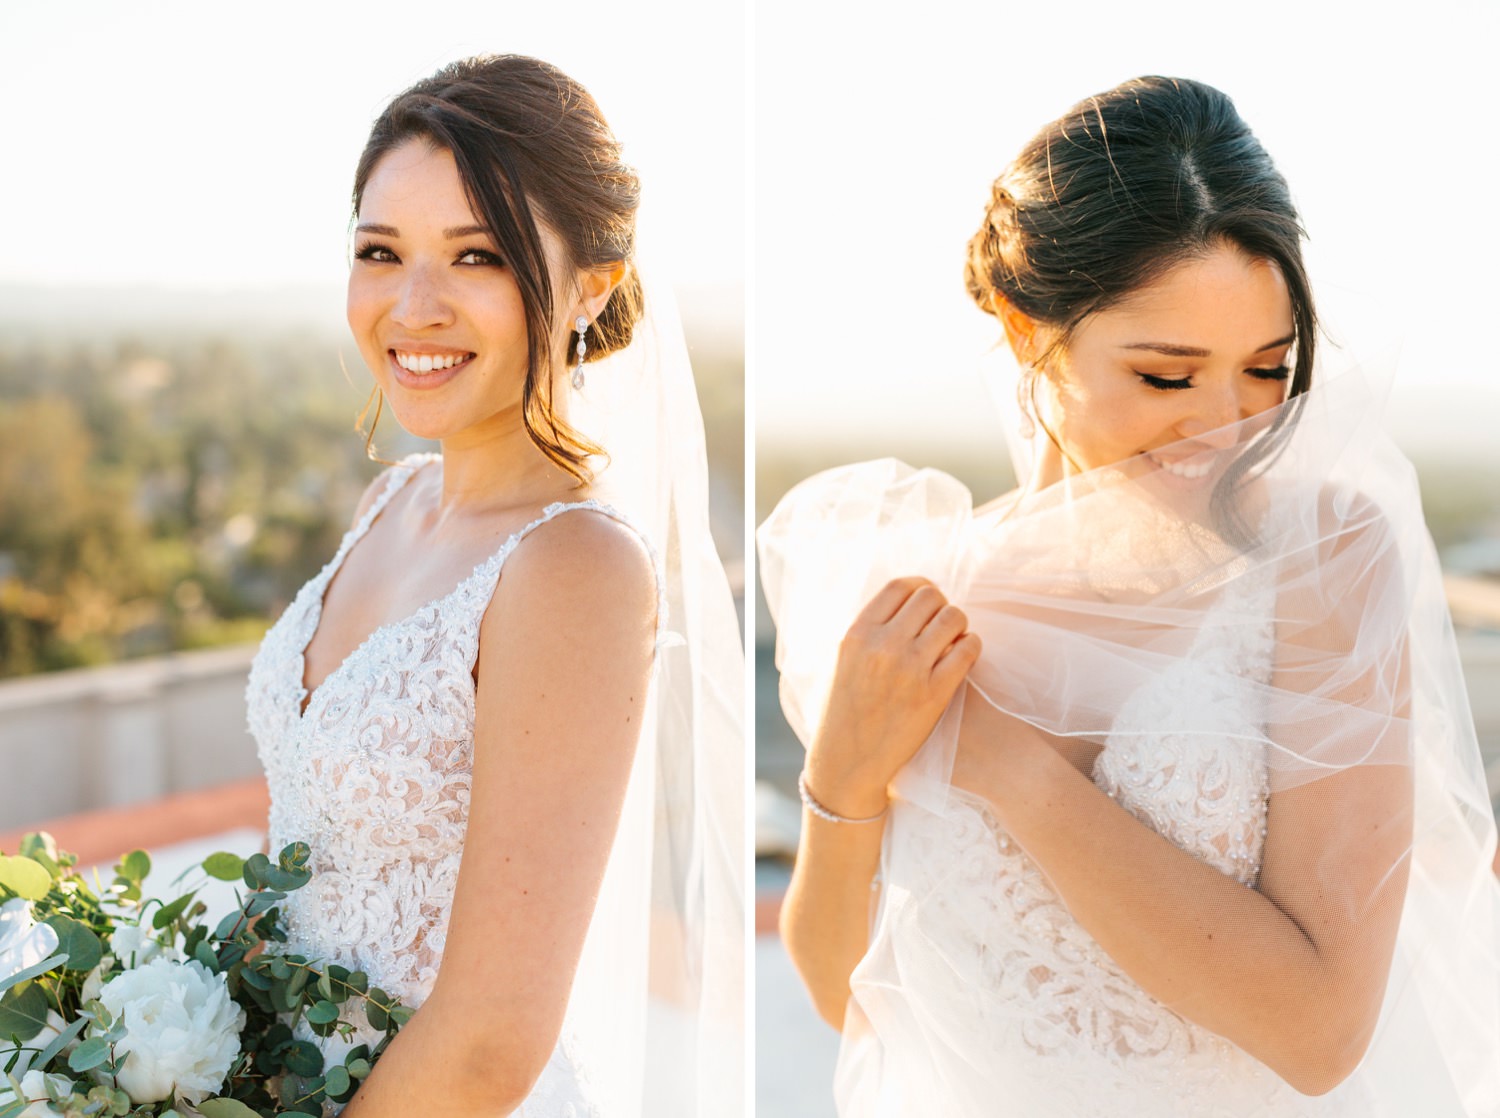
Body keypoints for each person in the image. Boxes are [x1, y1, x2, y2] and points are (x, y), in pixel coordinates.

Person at [759, 76, 1500, 1116]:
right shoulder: (922, 589)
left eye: (1265, 367)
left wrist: (1008, 766)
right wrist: (841, 778)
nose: (1225, 424)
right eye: (1166, 375)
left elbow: (1321, 1031)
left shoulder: (1322, 564)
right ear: (1026, 330)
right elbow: (852, 997)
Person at [246, 55, 743, 1117]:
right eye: (381, 252)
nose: (413, 305)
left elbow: (489, 1040)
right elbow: (298, 861)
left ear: (592, 285)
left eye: (476, 256)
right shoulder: (392, 505)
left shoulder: (575, 568)